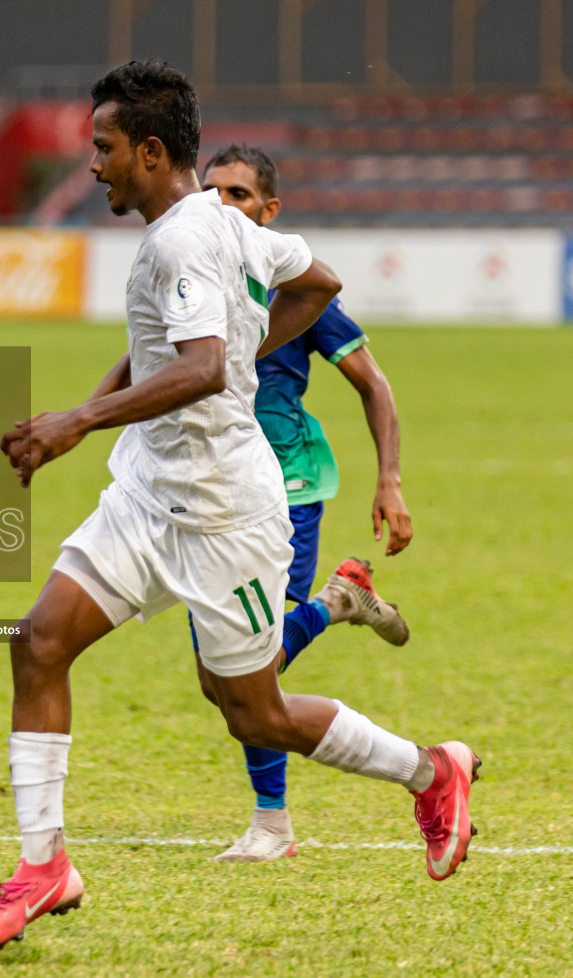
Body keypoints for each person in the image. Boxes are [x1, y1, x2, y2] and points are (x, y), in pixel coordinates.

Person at [0, 60, 479, 956]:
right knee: (39, 642)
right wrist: (233, 351)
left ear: (152, 151)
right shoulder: (232, 227)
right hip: (147, 495)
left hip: (224, 517)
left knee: (254, 712)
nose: (93, 165)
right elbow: (317, 281)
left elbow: (203, 366)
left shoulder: (179, 243)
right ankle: (45, 865)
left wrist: (76, 420)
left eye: (105, 147)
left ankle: (433, 771)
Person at [200, 144, 414, 863]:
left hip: (288, 484)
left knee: (248, 670)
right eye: (212, 192)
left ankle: (272, 826)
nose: (223, 205)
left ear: (269, 211)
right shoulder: (194, 284)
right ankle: (339, 601)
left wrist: (390, 481)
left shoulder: (301, 294)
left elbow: (374, 385)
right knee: (219, 673)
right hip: (214, 487)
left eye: (237, 193)